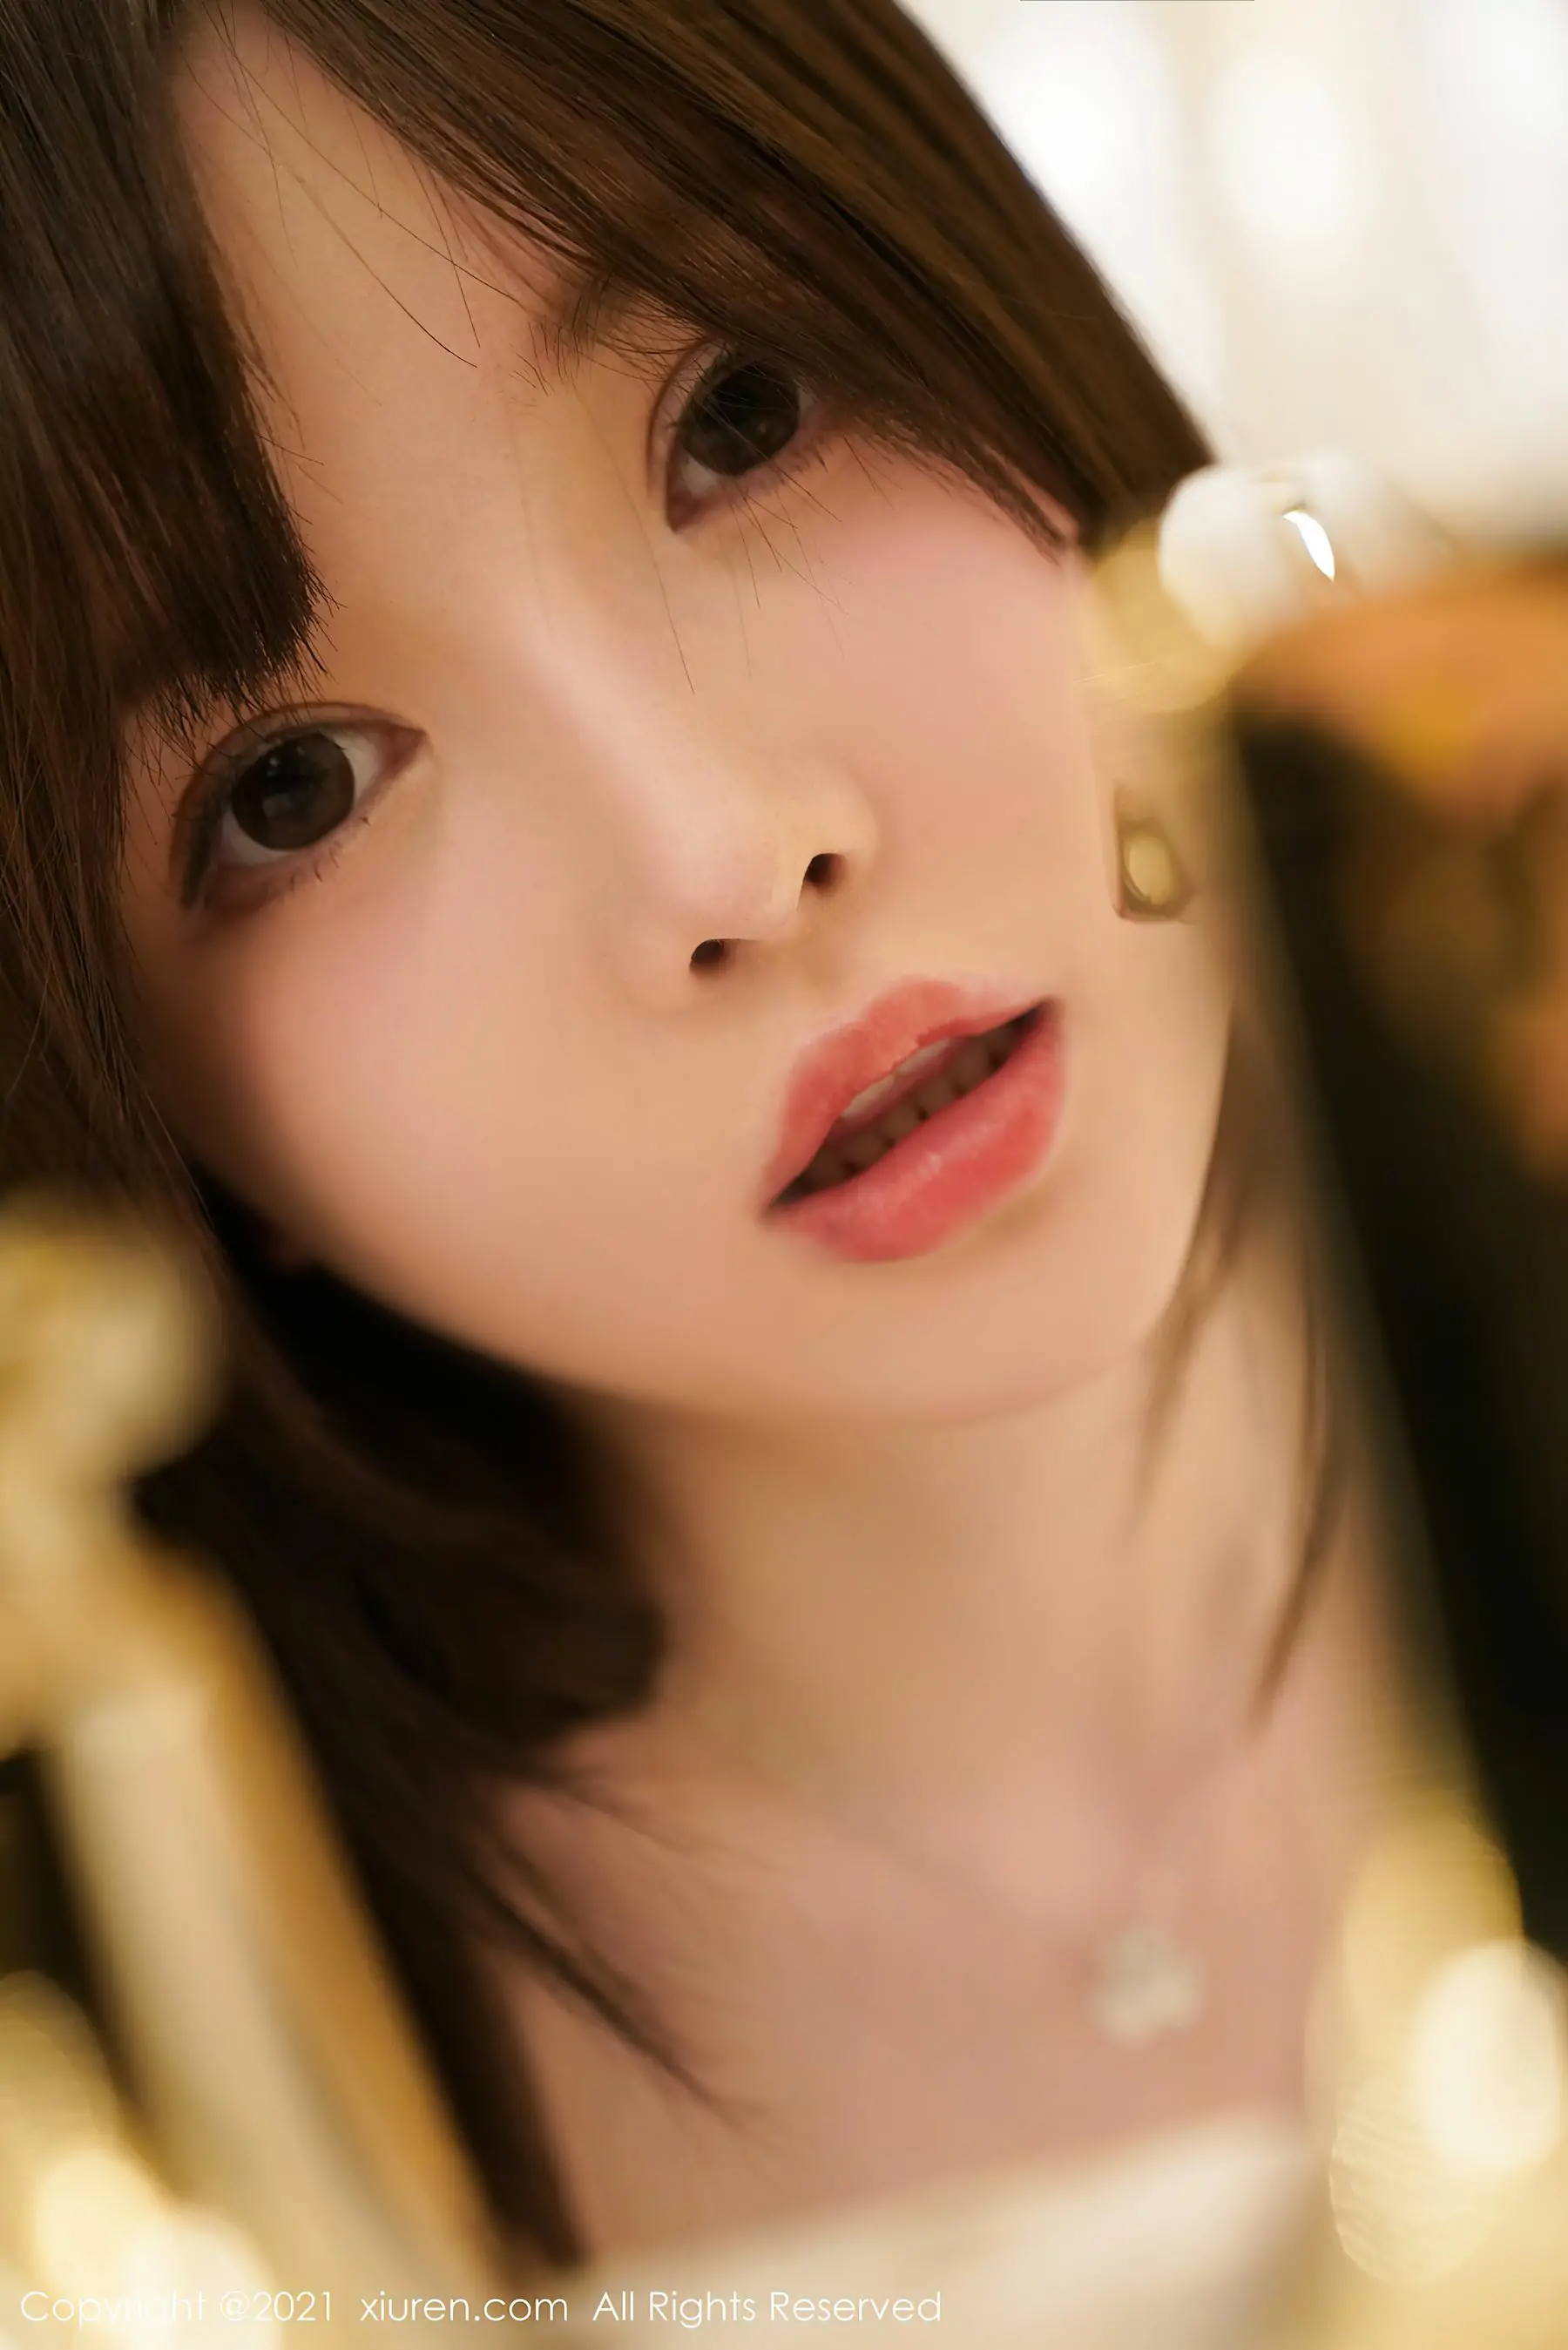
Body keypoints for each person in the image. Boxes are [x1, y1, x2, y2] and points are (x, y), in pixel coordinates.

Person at [0, 0, 1396, 2268]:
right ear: (119, 1107)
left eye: (738, 415)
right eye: (292, 789)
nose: (731, 856)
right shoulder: (189, 2164)